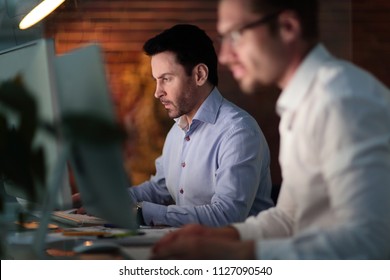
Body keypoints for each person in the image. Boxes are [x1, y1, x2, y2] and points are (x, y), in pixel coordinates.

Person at [151, 0, 390, 259]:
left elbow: (372, 244)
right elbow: (289, 217)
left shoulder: (340, 100)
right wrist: (219, 236)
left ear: (287, 27)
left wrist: (237, 253)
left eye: (236, 35)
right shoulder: (302, 102)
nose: (225, 56)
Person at [128, 24, 273, 227]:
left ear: (199, 75)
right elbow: (159, 188)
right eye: (156, 81)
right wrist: (105, 202)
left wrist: (141, 213)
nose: (157, 92)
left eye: (166, 79)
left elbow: (227, 216)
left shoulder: (239, 132)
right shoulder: (176, 131)